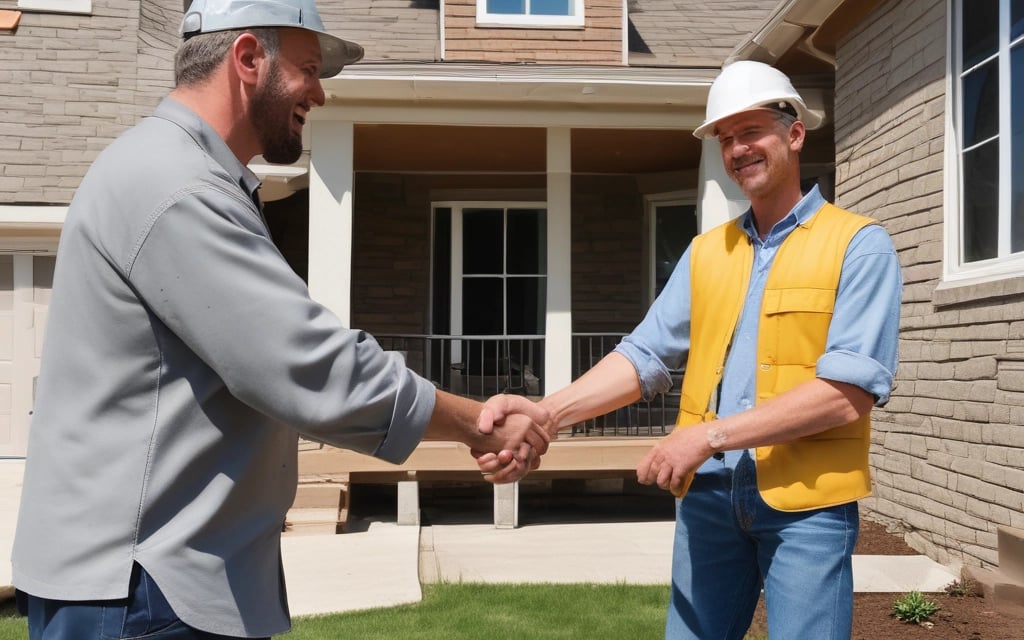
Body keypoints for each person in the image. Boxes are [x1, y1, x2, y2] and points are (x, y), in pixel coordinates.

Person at [11, 1, 549, 638]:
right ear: (246, 58)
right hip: (144, 589)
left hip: (147, 581)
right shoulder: (177, 185)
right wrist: (475, 423)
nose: (319, 93)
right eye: (308, 69)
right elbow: (304, 365)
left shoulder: (183, 174)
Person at [479, 60, 902, 638]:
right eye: (725, 139)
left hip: (808, 506)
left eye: (750, 131)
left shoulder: (859, 245)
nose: (737, 149)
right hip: (708, 499)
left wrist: (707, 435)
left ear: (794, 132)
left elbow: (847, 395)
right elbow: (645, 355)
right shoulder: (707, 252)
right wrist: (548, 415)